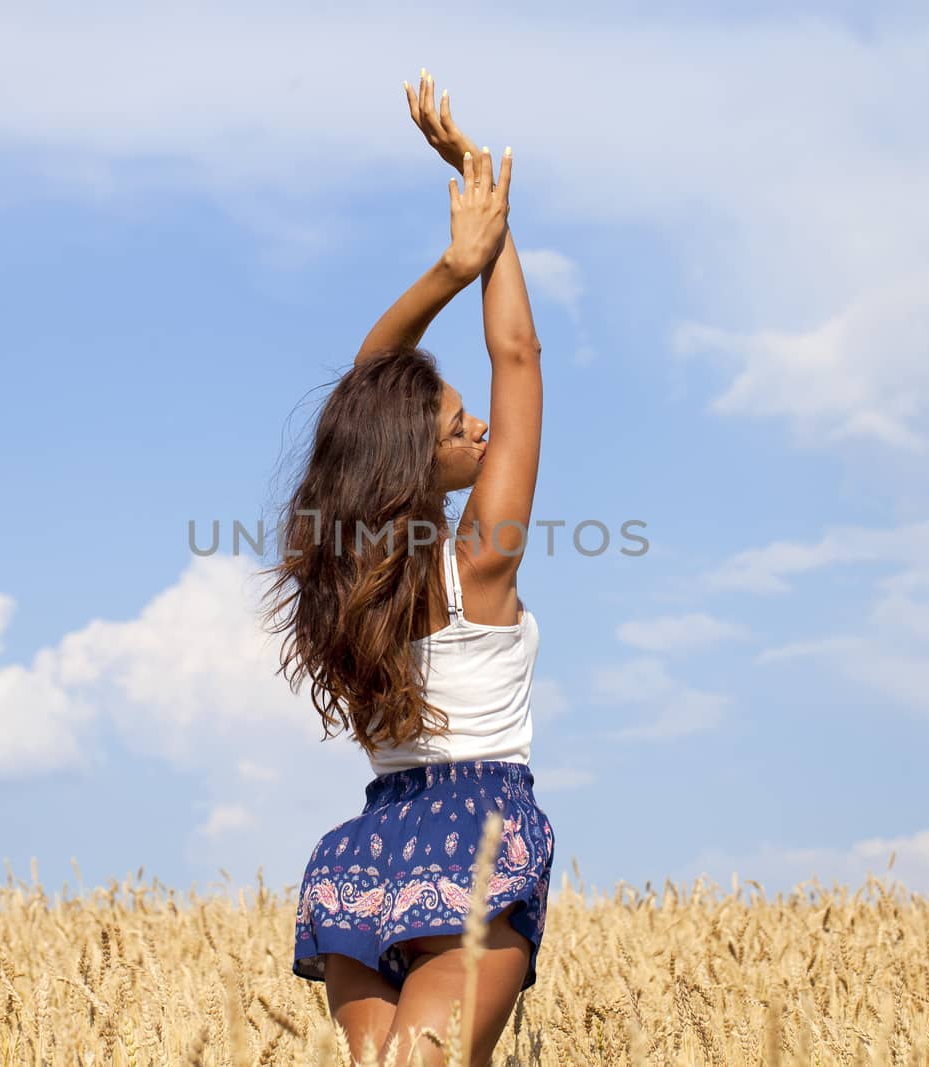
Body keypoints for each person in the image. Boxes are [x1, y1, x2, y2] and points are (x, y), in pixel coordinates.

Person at [259, 69, 551, 1066]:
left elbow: (365, 392)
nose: (479, 429)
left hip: (364, 853)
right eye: (457, 427)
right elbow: (519, 358)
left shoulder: (346, 575)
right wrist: (490, 230)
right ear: (412, 461)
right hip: (470, 843)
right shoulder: (480, 567)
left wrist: (451, 262)